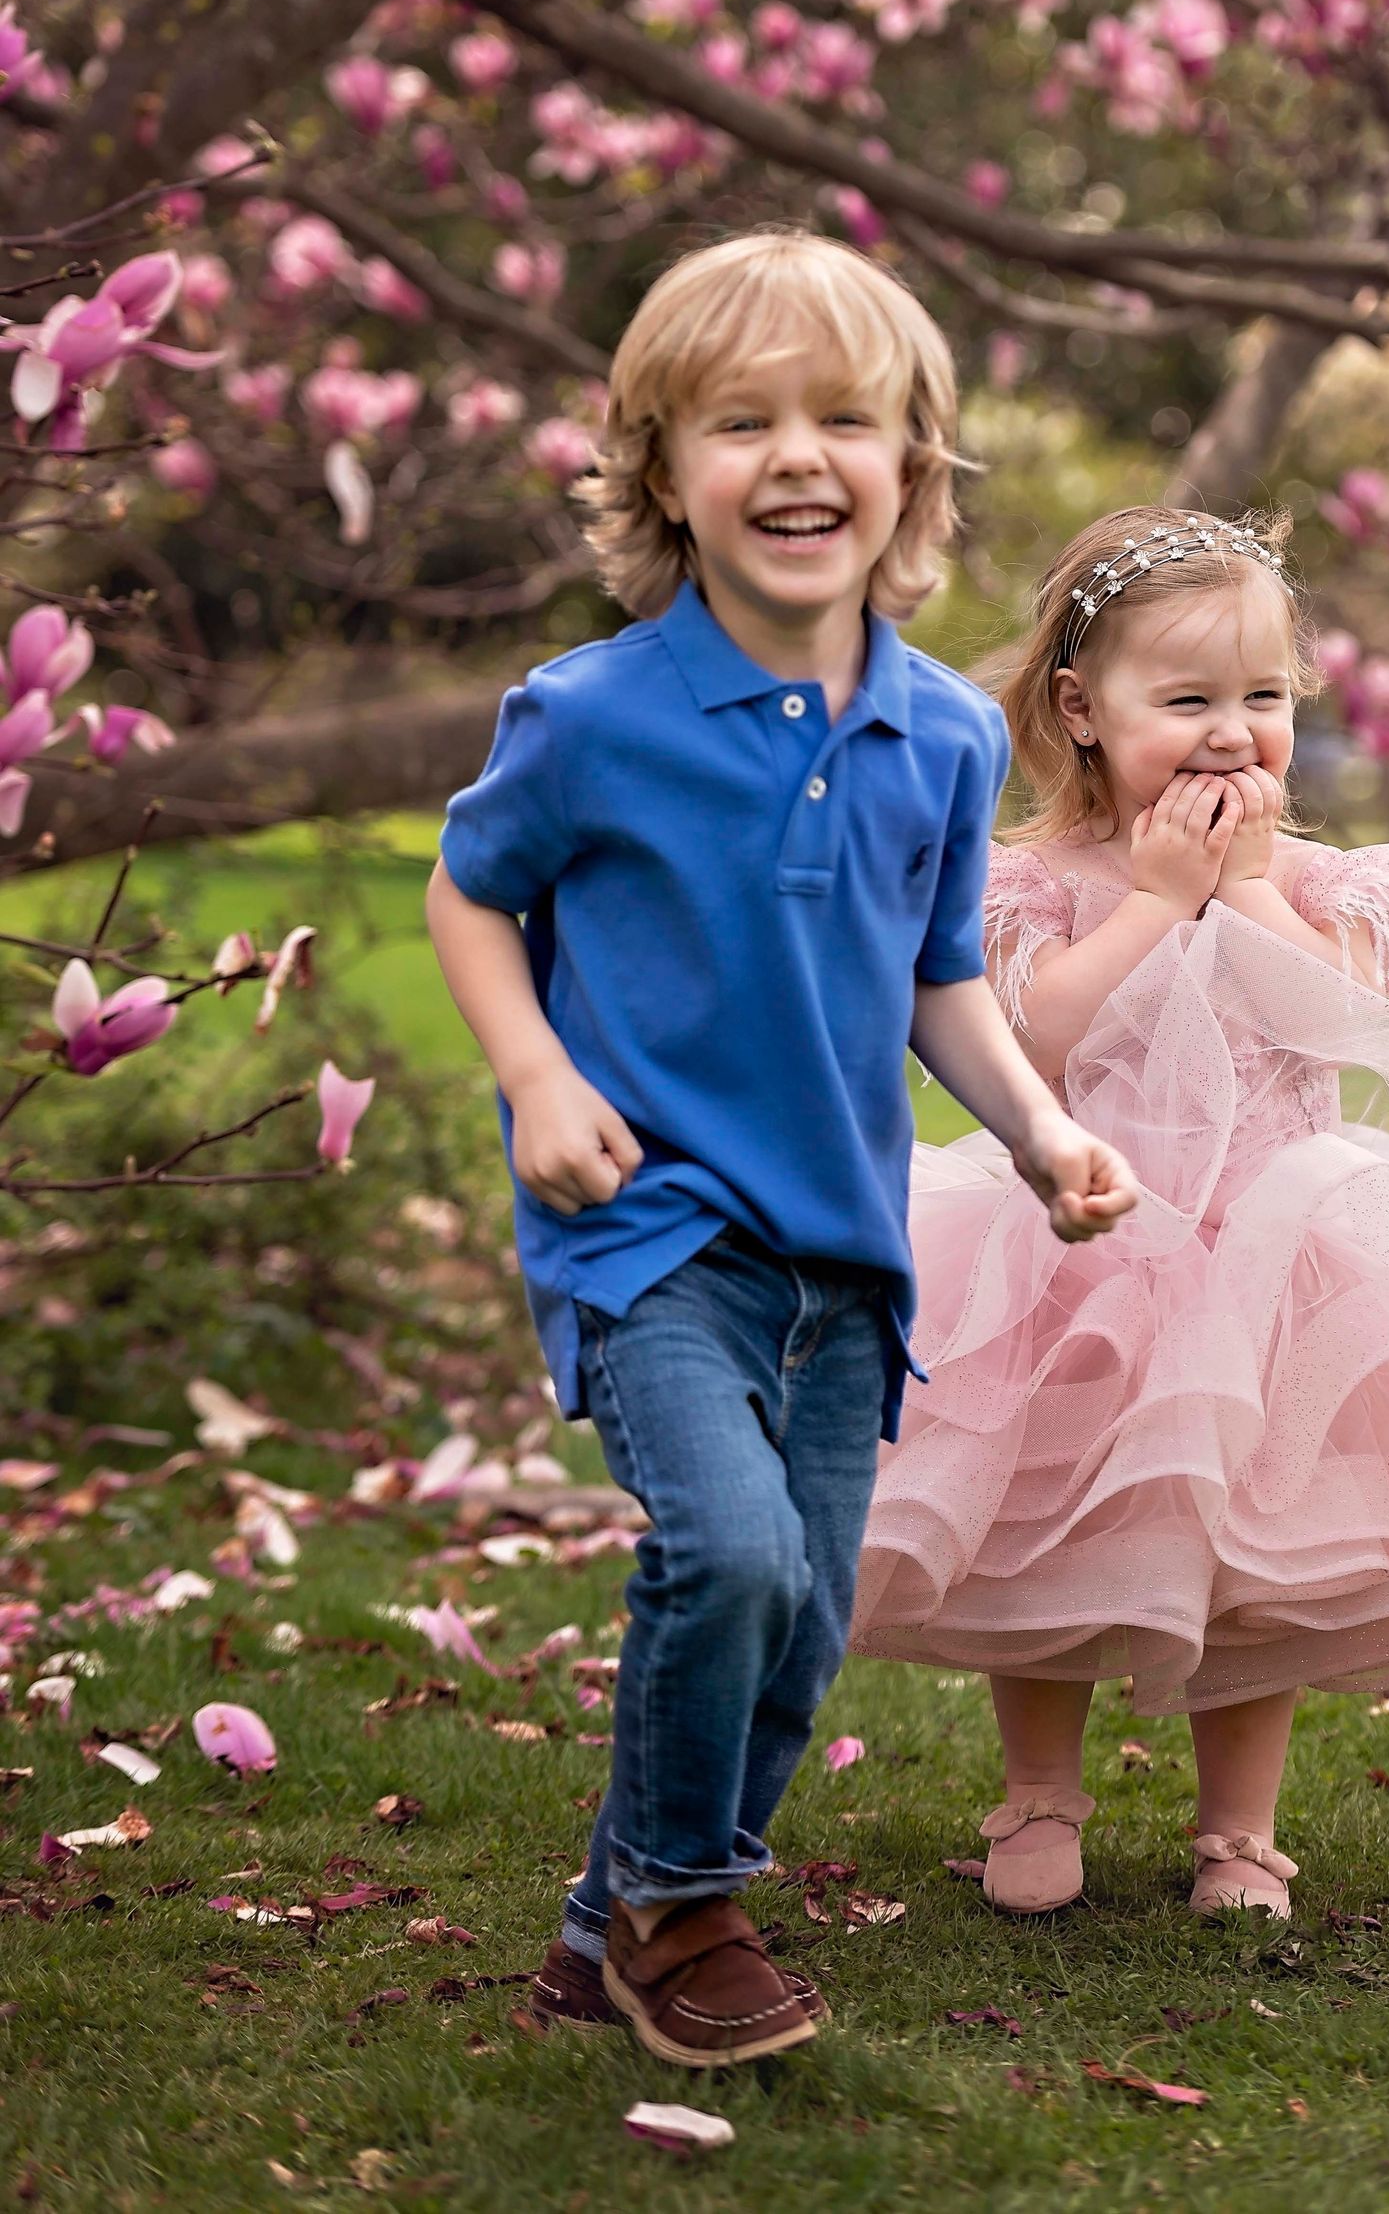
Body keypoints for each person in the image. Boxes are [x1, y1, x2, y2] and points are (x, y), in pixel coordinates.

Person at [426, 233, 1136, 2068]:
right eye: (743, 421)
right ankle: (687, 1903)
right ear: (664, 471)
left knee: (805, 1616)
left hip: (849, 1242)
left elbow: (940, 978)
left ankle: (603, 1931)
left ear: (914, 466)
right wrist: (532, 1076)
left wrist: (1047, 1131)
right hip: (651, 1224)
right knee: (728, 1557)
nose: (799, 455)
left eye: (846, 418)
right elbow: (468, 890)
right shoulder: (592, 715)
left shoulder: (947, 734)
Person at [854, 502, 1389, 1921]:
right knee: (1036, 1519)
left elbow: (1357, 1027)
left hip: (1280, 1256)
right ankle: (1039, 1787)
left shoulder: (1324, 883)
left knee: (1261, 1561)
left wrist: (1242, 892)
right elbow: (1025, 1048)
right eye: (1187, 700)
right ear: (1082, 709)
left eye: (1264, 697)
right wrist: (1152, 903)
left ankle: (1241, 1830)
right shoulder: (1038, 880)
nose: (1233, 732)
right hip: (1081, 1248)